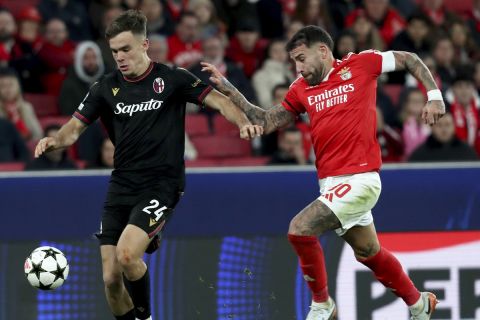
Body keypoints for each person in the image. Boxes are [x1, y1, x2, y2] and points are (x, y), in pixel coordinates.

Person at [202, 25, 445, 320]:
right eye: (294, 61)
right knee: (369, 252)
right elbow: (265, 121)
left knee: (299, 229)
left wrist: (434, 96)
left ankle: (322, 303)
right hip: (330, 184)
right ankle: (418, 303)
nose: (298, 67)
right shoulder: (300, 89)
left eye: (302, 59)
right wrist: (230, 90)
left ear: (323, 51)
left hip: (361, 179)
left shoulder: (361, 64)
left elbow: (408, 58)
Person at [34, 10, 262, 320]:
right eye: (114, 52)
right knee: (111, 279)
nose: (120, 57)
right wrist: (53, 141)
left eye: (125, 49)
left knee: (128, 255)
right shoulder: (105, 88)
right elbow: (72, 129)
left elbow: (221, 101)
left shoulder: (173, 78)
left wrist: (243, 122)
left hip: (162, 183)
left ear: (144, 45)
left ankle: (145, 317)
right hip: (122, 184)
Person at [408, 112, 478, 162]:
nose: (444, 130)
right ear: (432, 127)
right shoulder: (419, 155)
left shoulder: (467, 152)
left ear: (454, 127)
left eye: (447, 125)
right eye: (439, 125)